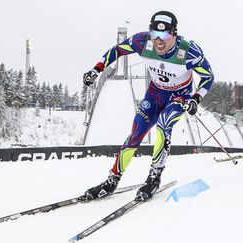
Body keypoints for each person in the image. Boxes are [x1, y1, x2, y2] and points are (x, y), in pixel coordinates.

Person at [78, 11, 214, 201]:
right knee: (136, 133)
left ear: (174, 34)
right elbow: (117, 50)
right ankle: (111, 181)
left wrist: (195, 98)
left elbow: (208, 77)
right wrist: (96, 69)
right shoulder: (143, 41)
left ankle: (154, 177)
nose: (158, 41)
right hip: (156, 92)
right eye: (154, 34)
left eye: (165, 35)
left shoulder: (189, 52)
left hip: (179, 96)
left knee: (164, 124)